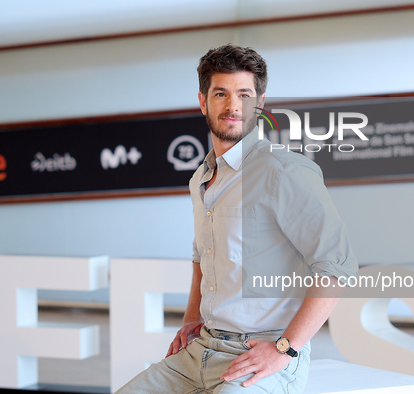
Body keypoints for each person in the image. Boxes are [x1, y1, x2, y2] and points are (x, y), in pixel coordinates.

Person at [116, 44, 358, 394]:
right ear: (203, 101)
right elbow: (202, 255)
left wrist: (285, 348)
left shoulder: (285, 170)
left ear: (259, 104)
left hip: (261, 353)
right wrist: (192, 318)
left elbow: (337, 265)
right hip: (202, 349)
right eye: (221, 94)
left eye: (244, 95)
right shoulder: (201, 177)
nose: (233, 106)